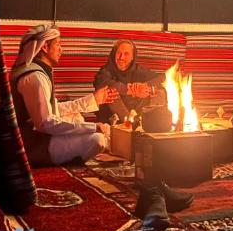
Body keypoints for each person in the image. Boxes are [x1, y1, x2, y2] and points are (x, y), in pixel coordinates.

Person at [10, 24, 116, 166]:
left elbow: (54, 109)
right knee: (97, 139)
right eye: (58, 45)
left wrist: (92, 100)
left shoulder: (37, 72)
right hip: (33, 145)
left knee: (77, 117)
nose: (62, 50)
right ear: (45, 47)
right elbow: (45, 123)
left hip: (38, 137)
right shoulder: (35, 77)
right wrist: (92, 126)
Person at [92, 39, 167, 125]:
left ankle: (156, 124)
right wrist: (130, 90)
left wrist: (146, 87)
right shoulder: (105, 71)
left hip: (137, 112)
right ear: (114, 55)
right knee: (111, 92)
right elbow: (103, 83)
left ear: (132, 57)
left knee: (160, 92)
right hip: (113, 119)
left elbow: (163, 78)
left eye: (126, 54)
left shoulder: (139, 70)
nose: (121, 57)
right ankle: (131, 125)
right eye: (119, 53)